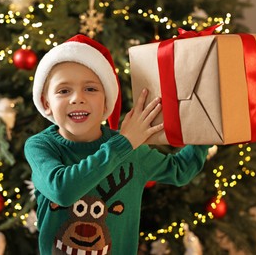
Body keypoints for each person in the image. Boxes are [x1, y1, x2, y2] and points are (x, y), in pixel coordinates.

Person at [24, 34, 211, 255]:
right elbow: (62, 190)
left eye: (91, 89)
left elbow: (180, 170)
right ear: (46, 103)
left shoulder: (131, 150)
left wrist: (207, 128)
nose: (77, 98)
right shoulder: (40, 147)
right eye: (64, 90)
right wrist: (125, 143)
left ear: (106, 102)